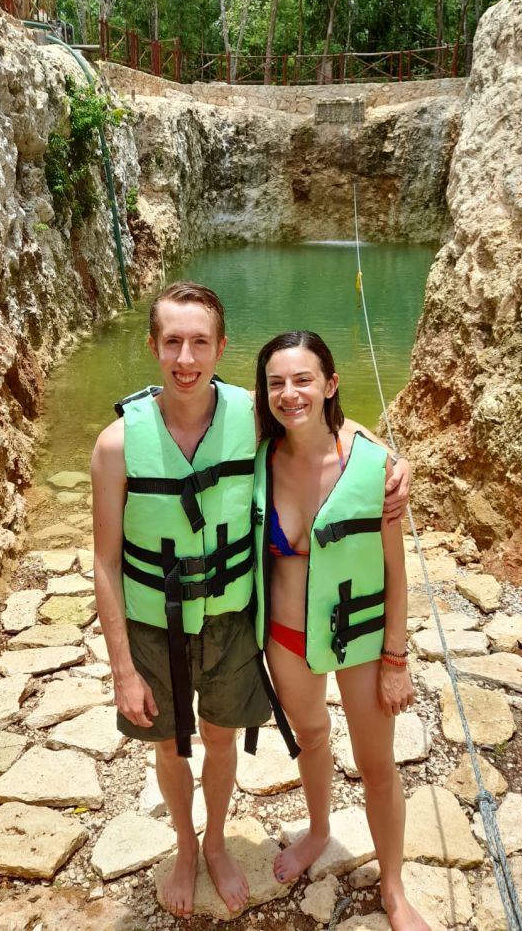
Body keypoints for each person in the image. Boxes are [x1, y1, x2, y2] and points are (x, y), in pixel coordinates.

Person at [91, 283, 412, 920]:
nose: (186, 357)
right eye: (173, 342)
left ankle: (233, 847)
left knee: (233, 740)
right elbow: (103, 561)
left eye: (200, 342)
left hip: (270, 625)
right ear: (153, 346)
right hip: (195, 626)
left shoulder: (267, 424)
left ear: (220, 347)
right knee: (184, 743)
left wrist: (392, 459)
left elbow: (331, 428)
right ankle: (192, 845)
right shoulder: (125, 443)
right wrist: (121, 669)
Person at [252, 330, 429, 931]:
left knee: (376, 763)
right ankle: (319, 830)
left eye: (303, 379)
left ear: (330, 385)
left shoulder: (373, 466)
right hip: (285, 634)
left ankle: (396, 889)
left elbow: (395, 573)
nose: (289, 393)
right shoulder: (257, 459)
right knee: (309, 735)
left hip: (358, 632)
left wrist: (395, 657)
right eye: (276, 382)